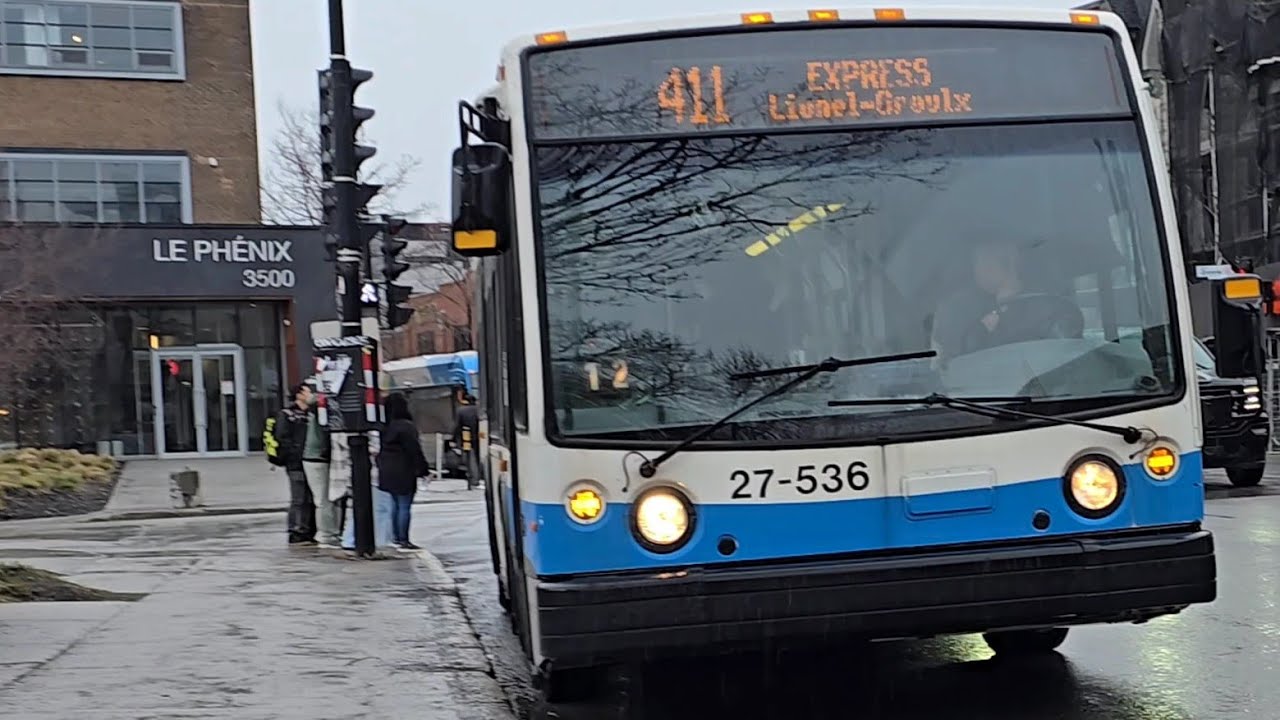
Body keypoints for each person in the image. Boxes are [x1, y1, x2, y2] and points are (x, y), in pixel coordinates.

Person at [930, 238, 1083, 365]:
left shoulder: (1044, 303)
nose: (984, 267)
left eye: (997, 259)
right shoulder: (958, 308)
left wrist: (1010, 302)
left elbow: (1062, 350)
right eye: (980, 260)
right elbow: (955, 358)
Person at [377, 392, 430, 550]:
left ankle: (395, 537)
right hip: (403, 469)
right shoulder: (406, 427)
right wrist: (423, 469)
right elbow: (414, 450)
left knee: (394, 504)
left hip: (386, 469)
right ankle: (403, 539)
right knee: (405, 505)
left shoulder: (383, 427)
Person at [275, 383, 317, 545]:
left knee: (310, 497)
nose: (310, 394)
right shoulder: (287, 414)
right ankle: (296, 530)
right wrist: (294, 454)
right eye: (307, 392)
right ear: (299, 395)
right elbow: (282, 438)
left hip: (311, 460)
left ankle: (308, 529)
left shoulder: (312, 413)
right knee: (299, 498)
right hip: (296, 463)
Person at [301, 387, 339, 548]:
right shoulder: (321, 410)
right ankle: (326, 534)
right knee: (324, 499)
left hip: (318, 457)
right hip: (317, 458)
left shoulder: (320, 411)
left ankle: (331, 532)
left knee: (329, 498)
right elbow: (313, 401)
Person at [452, 385, 481, 490]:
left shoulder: (461, 411)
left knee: (469, 458)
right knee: (478, 457)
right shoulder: (479, 410)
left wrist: (454, 439)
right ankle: (479, 477)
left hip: (466, 438)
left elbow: (457, 427)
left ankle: (472, 478)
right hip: (479, 437)